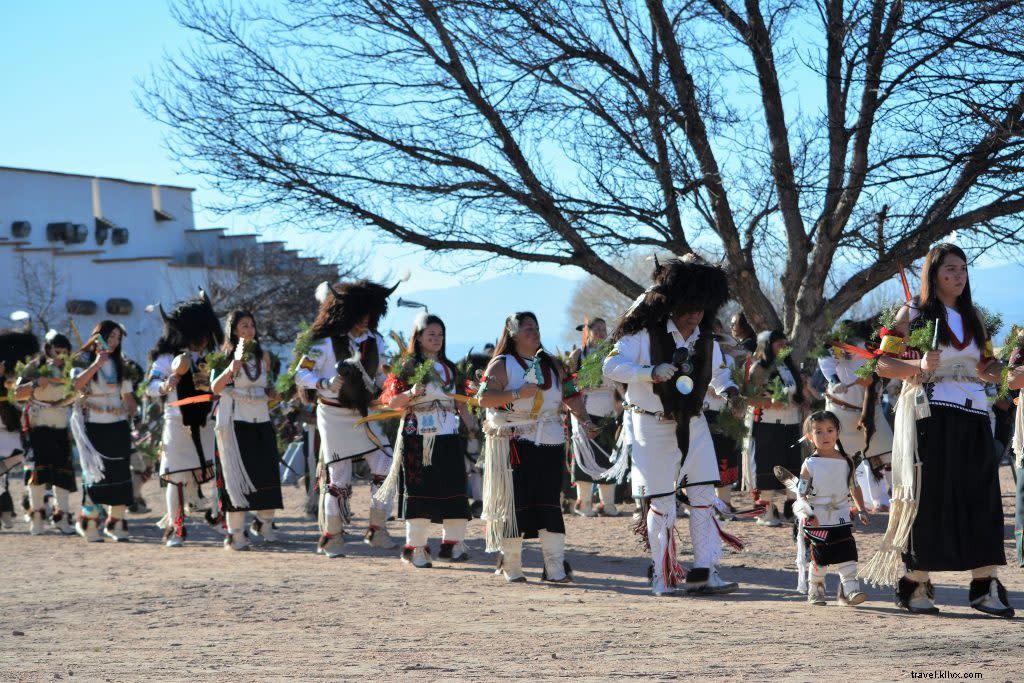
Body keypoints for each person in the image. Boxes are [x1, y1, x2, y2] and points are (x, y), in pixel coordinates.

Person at [864, 243, 1013, 618]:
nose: (958, 276)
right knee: (930, 498)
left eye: (963, 269)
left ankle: (985, 584)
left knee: (982, 497)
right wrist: (916, 366)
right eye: (949, 270)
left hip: (975, 413)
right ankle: (916, 583)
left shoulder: (975, 317)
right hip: (931, 416)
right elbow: (882, 364)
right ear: (933, 274)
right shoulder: (912, 313)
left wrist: (1010, 371)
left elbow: (987, 367)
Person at [603, 256, 742, 596]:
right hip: (649, 424)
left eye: (701, 308)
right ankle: (663, 576)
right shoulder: (641, 334)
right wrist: (648, 372)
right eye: (689, 306)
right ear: (673, 301)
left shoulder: (706, 338)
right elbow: (611, 365)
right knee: (663, 502)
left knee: (704, 495)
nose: (694, 314)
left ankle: (705, 571)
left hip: (693, 422)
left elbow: (720, 374)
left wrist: (732, 392)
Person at [478, 311, 596, 583]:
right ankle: (513, 566)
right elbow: (484, 398)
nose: (534, 332)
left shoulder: (553, 365)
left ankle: (554, 568)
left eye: (536, 327)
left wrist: (587, 421)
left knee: (549, 503)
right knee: (514, 503)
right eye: (527, 328)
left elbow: (572, 397)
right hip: (514, 442)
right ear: (512, 334)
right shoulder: (502, 363)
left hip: (550, 442)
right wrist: (518, 393)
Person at [294, 279, 399, 557]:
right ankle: (333, 536)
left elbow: (380, 376)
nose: (366, 319)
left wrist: (389, 386)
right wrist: (324, 383)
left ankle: (377, 529)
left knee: (385, 463)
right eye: (361, 312)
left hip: (365, 413)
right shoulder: (324, 344)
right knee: (339, 476)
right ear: (346, 311)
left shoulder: (376, 341)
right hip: (332, 414)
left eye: (370, 313)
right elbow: (299, 374)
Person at [377, 313, 479, 567]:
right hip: (417, 438)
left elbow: (460, 402)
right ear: (419, 337)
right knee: (419, 492)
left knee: (455, 489)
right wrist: (412, 392)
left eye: (440, 335)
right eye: (430, 334)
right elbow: (391, 401)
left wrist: (471, 424)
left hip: (447, 436)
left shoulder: (450, 368)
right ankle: (417, 548)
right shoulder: (407, 367)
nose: (436, 339)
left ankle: (452, 545)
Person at [146, 290, 223, 548]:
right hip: (177, 423)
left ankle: (220, 517)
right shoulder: (167, 358)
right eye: (198, 336)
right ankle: (176, 527)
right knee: (176, 477)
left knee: (217, 473)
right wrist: (167, 384)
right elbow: (150, 386)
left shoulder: (210, 359)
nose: (203, 341)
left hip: (206, 424)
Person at [210, 310, 285, 551]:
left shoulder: (264, 356)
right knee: (237, 479)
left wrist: (275, 393)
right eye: (244, 326)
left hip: (261, 422)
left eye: (252, 325)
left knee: (268, 475)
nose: (250, 330)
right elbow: (215, 387)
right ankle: (235, 534)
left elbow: (269, 386)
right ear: (233, 330)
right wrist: (232, 367)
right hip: (235, 424)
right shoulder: (224, 357)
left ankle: (263, 522)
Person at [792, 411, 869, 606]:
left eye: (829, 430)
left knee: (847, 550)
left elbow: (854, 486)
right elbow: (801, 492)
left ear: (837, 433)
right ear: (810, 436)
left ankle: (850, 589)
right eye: (818, 432)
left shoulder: (847, 461)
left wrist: (861, 508)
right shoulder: (809, 464)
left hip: (841, 515)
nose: (825, 436)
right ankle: (816, 589)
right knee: (820, 555)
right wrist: (807, 513)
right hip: (817, 516)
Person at [71, 321, 138, 542]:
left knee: (120, 473)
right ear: (98, 337)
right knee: (96, 475)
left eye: (118, 338)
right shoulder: (83, 362)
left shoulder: (121, 365)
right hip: (93, 426)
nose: (114, 342)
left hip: (118, 425)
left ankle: (116, 523)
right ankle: (89, 523)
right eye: (110, 337)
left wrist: (134, 411)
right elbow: (76, 386)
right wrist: (97, 365)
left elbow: (129, 399)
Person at [817, 319, 894, 511]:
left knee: (888, 454)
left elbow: (888, 369)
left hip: (871, 410)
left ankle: (889, 499)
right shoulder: (840, 345)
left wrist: (880, 383)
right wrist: (834, 381)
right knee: (841, 460)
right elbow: (825, 358)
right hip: (840, 411)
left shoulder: (877, 346)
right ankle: (835, 501)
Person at [16, 331, 76, 535]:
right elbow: (16, 393)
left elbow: (79, 392)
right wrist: (34, 383)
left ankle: (62, 518)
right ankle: (37, 519)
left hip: (61, 426)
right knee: (37, 477)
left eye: (65, 353)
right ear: (48, 349)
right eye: (57, 351)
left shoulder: (70, 371)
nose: (61, 356)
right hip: (37, 427)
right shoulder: (34, 367)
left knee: (62, 476)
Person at [743, 330, 805, 527]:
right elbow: (746, 397)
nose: (783, 348)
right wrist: (768, 401)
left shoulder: (789, 367)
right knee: (767, 467)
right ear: (767, 346)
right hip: (767, 425)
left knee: (792, 467)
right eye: (779, 344)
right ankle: (766, 511)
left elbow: (797, 393)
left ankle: (791, 507)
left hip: (791, 423)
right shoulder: (758, 369)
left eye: (785, 344)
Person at [567, 318, 622, 517]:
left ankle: (607, 504)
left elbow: (621, 382)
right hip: (585, 412)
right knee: (585, 456)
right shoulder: (579, 355)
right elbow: (567, 384)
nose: (600, 331)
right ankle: (585, 504)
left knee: (608, 458)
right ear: (587, 331)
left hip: (608, 413)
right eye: (596, 328)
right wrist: (581, 386)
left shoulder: (614, 354)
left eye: (603, 328)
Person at [0, 330, 39, 531]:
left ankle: (31, 503)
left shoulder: (23, 377)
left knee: (30, 461)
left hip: (22, 424)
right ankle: (5, 509)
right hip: (4, 424)